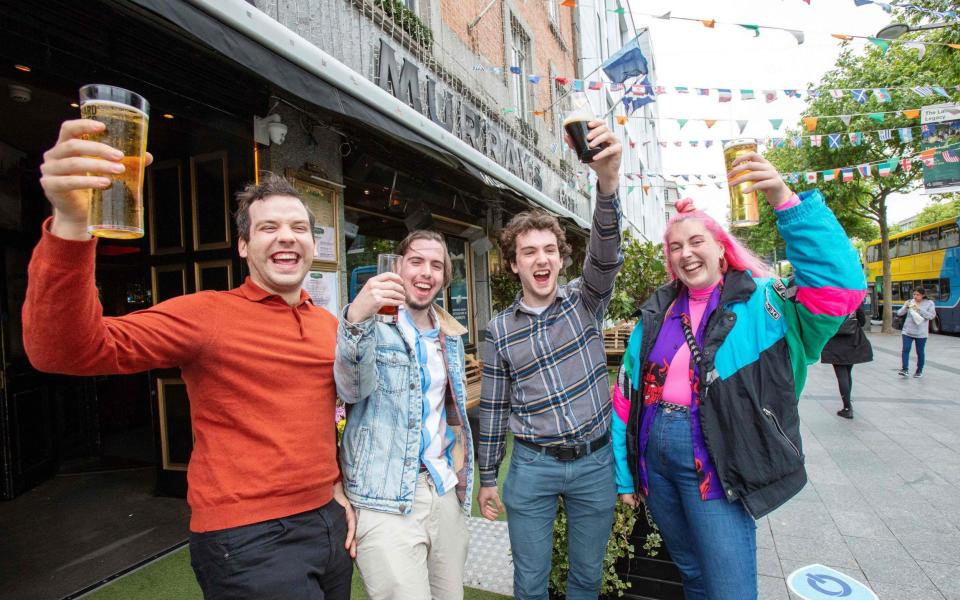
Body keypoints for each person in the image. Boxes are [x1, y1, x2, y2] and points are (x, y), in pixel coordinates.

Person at [24, 119, 354, 599]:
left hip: (326, 522)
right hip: (248, 537)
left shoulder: (328, 324)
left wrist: (337, 490)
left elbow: (330, 418)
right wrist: (72, 224)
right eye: (268, 227)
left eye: (299, 227)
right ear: (244, 246)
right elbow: (66, 350)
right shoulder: (208, 314)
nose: (287, 236)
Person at [611, 153, 866, 599]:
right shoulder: (656, 312)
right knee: (690, 573)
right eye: (675, 247)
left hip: (715, 459)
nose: (686, 253)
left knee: (729, 588)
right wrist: (626, 475)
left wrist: (784, 200)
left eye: (696, 241)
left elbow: (840, 288)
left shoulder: (766, 305)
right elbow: (626, 396)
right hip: (657, 460)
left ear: (720, 247)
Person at [477, 122, 623, 600]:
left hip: (593, 462)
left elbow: (604, 256)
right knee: (530, 582)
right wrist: (486, 476)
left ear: (561, 259)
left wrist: (607, 185)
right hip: (532, 468)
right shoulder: (499, 329)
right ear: (514, 263)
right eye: (528, 252)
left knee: (586, 578)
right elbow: (494, 410)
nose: (540, 260)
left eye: (549, 251)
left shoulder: (586, 302)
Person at [334, 230, 473, 600]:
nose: (426, 272)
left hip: (443, 490)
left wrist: (457, 457)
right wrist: (356, 317)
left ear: (444, 278)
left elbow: (449, 409)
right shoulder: (370, 325)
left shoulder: (450, 336)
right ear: (397, 266)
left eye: (436, 265)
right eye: (416, 261)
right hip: (385, 499)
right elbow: (349, 390)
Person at [821, 304, 873, 419]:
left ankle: (847, 407)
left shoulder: (831, 300)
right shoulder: (854, 298)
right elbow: (862, 321)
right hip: (853, 340)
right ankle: (847, 402)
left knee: (841, 375)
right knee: (847, 373)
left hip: (835, 341)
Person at [897, 287, 936, 378]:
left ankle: (919, 371)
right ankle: (905, 369)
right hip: (907, 331)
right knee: (905, 349)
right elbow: (899, 313)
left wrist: (918, 309)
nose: (915, 296)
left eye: (917, 294)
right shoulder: (910, 302)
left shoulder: (929, 303)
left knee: (920, 352)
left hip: (921, 332)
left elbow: (931, 316)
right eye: (914, 294)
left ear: (923, 295)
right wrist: (906, 307)